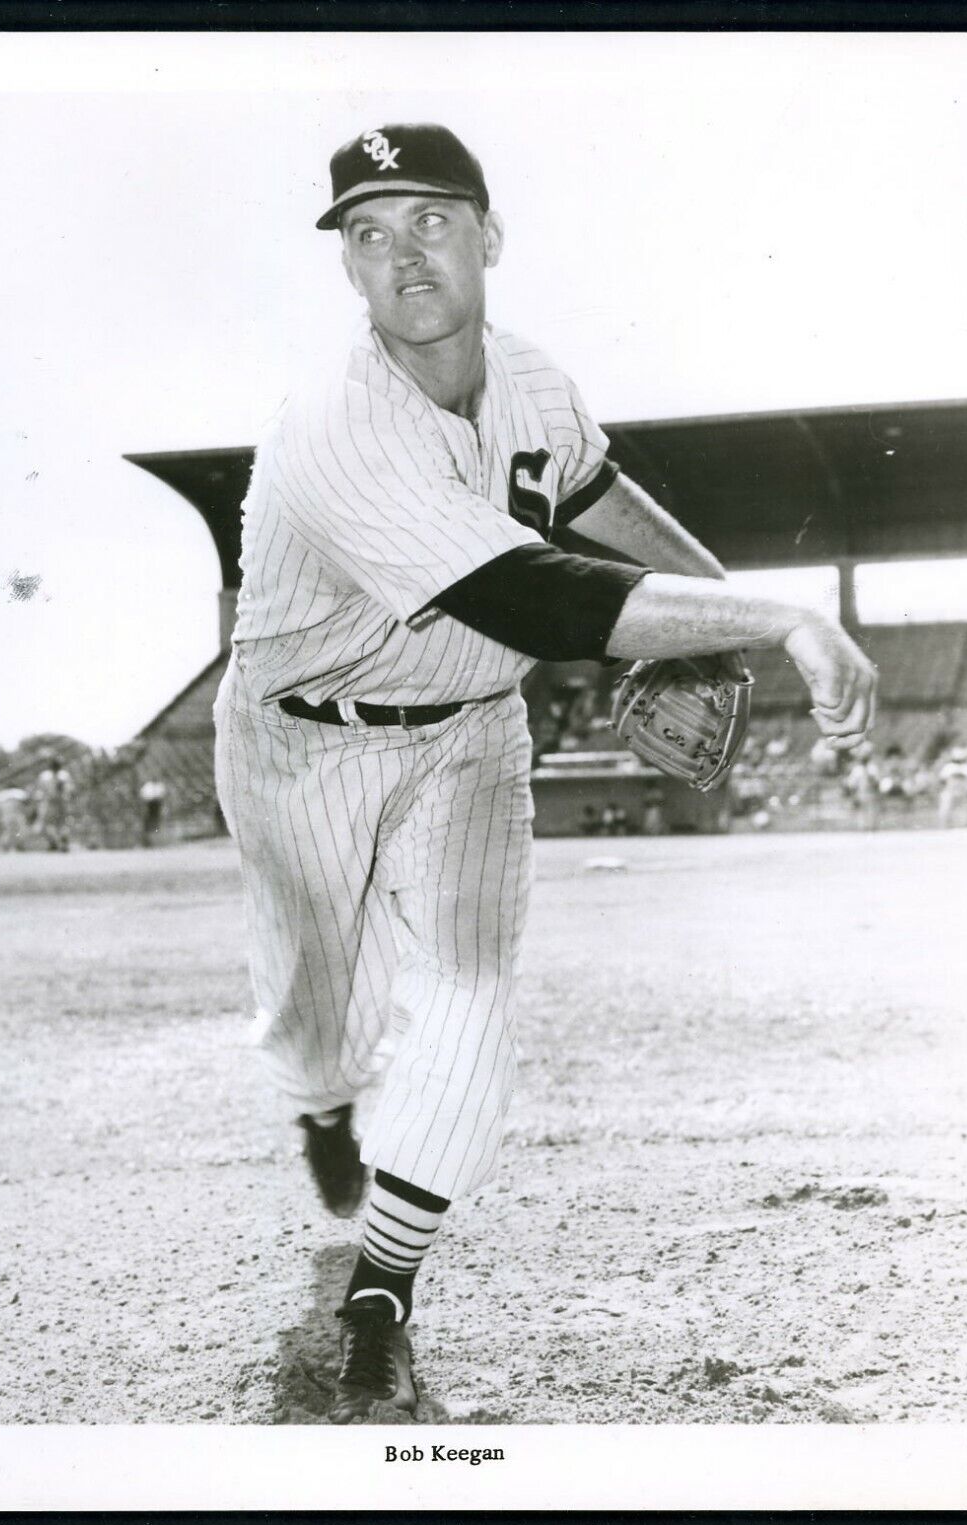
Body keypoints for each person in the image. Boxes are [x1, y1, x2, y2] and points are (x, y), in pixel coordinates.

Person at [212, 123, 877, 1424]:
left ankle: (378, 1295)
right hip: (297, 744)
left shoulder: (531, 381)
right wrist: (773, 622)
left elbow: (594, 497)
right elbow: (529, 589)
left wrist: (720, 622)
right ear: (344, 269)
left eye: (430, 221)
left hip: (466, 732)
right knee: (313, 1024)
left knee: (466, 1010)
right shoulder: (334, 421)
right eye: (366, 231)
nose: (401, 254)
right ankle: (325, 1106)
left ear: (487, 238)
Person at [34, 757, 74, 851]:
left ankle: (54, 842)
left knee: (49, 823)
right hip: (62, 802)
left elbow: (40, 791)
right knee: (62, 823)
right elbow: (70, 790)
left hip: (50, 802)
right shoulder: (65, 775)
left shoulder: (44, 776)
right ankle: (61, 840)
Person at [139, 777, 168, 846]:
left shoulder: (159, 786)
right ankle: (149, 840)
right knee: (150, 823)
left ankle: (156, 838)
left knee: (156, 822)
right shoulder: (148, 786)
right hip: (150, 805)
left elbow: (162, 795)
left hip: (156, 805)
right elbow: (144, 795)